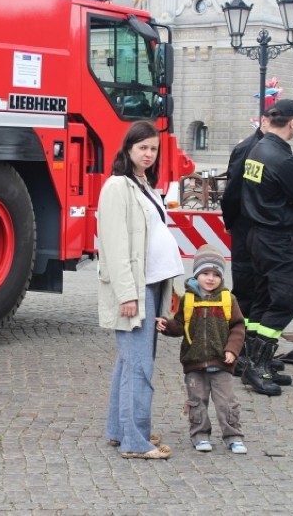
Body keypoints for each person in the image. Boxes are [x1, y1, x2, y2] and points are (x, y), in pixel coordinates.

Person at [97, 119, 183, 460]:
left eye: (153, 149)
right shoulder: (117, 186)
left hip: (152, 283)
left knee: (129, 361)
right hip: (135, 287)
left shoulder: (144, 184)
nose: (148, 154)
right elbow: (115, 246)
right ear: (128, 149)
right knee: (139, 366)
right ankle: (136, 440)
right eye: (142, 148)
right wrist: (127, 295)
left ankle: (121, 430)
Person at [240, 99, 293, 396]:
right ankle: (258, 365)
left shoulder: (257, 150)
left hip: (257, 235)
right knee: (284, 302)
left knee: (262, 299)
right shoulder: (283, 160)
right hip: (277, 238)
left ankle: (252, 360)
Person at [156, 244, 248, 454]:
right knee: (196, 401)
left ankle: (233, 436)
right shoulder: (187, 300)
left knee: (226, 402)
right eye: (205, 273)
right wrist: (166, 326)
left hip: (221, 362)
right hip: (194, 362)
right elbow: (180, 325)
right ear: (197, 274)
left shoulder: (228, 299)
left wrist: (232, 350)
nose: (210, 278)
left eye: (215, 274)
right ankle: (200, 435)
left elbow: (238, 326)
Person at [220, 115, 290, 387]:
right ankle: (240, 353)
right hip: (246, 229)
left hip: (259, 231)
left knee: (262, 291)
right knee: (247, 292)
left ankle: (255, 353)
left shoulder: (271, 149)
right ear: (264, 122)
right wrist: (232, 224)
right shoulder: (248, 148)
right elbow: (232, 192)